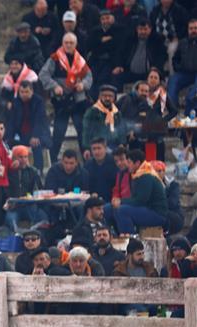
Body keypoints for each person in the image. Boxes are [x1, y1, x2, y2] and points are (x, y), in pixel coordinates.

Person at [40, 33, 93, 162]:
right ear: (62, 44)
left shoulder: (80, 60)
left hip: (78, 101)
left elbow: (89, 77)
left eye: (71, 43)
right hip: (61, 101)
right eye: (66, 43)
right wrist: (54, 86)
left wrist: (83, 85)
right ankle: (53, 162)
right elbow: (43, 75)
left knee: (82, 132)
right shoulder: (54, 58)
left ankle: (87, 162)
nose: (68, 45)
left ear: (75, 45)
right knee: (58, 133)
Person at [106, 150, 168, 235]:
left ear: (137, 163)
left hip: (156, 213)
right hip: (147, 209)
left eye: (129, 162)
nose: (127, 165)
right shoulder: (138, 175)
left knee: (122, 211)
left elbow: (140, 200)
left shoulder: (146, 176)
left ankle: (130, 240)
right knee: (111, 208)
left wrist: (121, 201)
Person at [82, 85, 123, 151]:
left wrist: (122, 143)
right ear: (99, 97)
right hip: (97, 145)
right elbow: (86, 130)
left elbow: (121, 130)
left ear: (114, 98)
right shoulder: (92, 111)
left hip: (114, 144)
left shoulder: (117, 113)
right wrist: (86, 148)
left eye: (110, 96)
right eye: (104, 96)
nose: (107, 98)